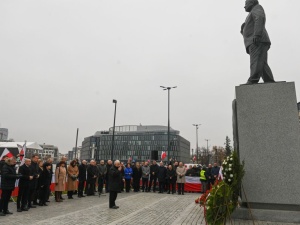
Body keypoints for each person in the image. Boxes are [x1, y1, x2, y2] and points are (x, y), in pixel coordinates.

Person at [241, 0, 274, 84]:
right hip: (255, 40)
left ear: (252, 2)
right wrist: (244, 30)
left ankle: (253, 79)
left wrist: (257, 35)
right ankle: (269, 80)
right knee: (261, 62)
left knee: (256, 61)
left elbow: (259, 18)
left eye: (246, 4)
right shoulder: (252, 12)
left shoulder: (256, 8)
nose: (244, 6)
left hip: (257, 40)